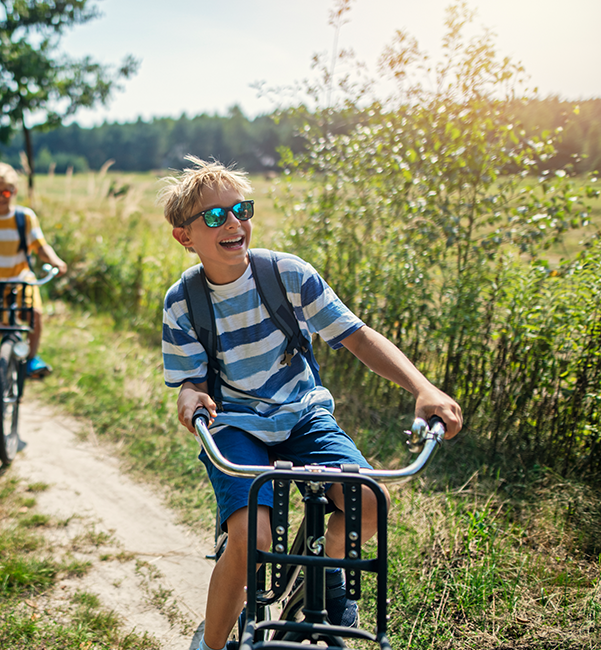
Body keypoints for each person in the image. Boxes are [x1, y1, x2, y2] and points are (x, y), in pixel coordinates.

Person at [159, 156, 463, 650]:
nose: (233, 222)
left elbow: (358, 337)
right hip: (237, 425)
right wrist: (191, 398)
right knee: (252, 539)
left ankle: (319, 577)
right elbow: (190, 381)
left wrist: (422, 388)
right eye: (215, 217)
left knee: (371, 505)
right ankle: (211, 643)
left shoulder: (287, 274)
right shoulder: (183, 300)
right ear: (185, 236)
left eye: (241, 209)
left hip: (304, 414)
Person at [0, 162, 67, 389]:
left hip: (22, 279)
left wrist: (56, 261)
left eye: (6, 192)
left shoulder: (25, 217)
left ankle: (31, 359)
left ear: (14, 191)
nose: (1, 197)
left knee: (35, 316)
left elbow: (40, 247)